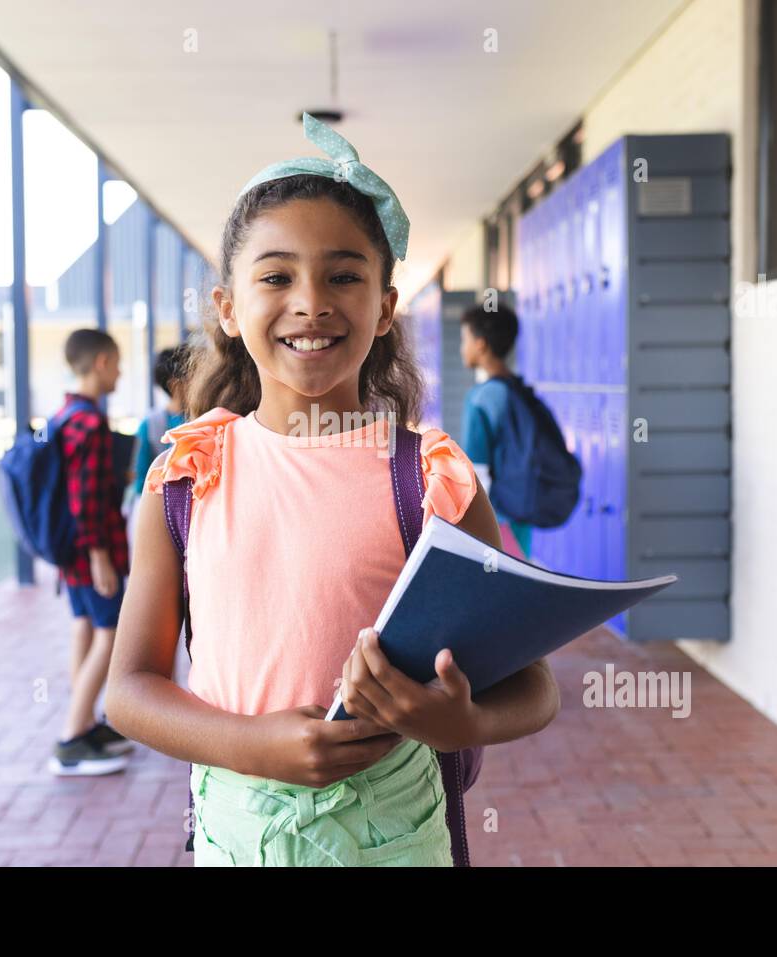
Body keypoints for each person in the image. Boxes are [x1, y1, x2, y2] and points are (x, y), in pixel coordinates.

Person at [104, 114, 560, 866]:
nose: (311, 301)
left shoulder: (429, 477)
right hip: (238, 833)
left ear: (384, 306)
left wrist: (463, 722)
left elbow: (535, 686)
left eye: (344, 275)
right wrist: (253, 744)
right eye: (276, 276)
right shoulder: (187, 475)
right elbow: (130, 690)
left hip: (398, 834)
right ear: (227, 307)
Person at [48, 328, 134, 776]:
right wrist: (100, 556)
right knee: (111, 634)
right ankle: (70, 740)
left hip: (72, 554)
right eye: (117, 363)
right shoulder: (90, 422)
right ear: (101, 362)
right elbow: (86, 499)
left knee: (85, 627)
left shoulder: (64, 415)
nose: (120, 372)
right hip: (93, 552)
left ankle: (83, 725)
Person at [459, 302, 534, 559]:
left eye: (465, 339)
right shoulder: (518, 389)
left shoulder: (480, 398)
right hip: (521, 511)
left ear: (480, 344)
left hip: (497, 518)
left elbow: (477, 471)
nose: (462, 348)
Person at [131, 345, 190, 501]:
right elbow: (141, 480)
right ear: (176, 386)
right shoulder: (151, 424)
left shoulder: (149, 423)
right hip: (162, 505)